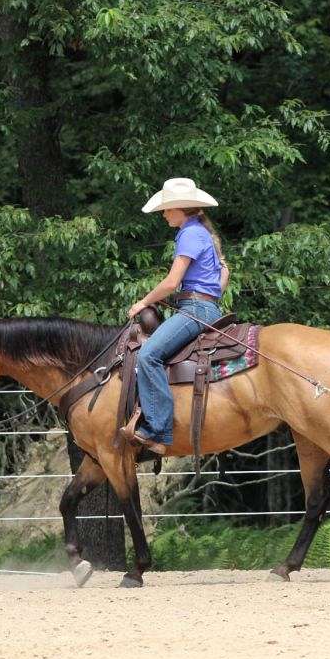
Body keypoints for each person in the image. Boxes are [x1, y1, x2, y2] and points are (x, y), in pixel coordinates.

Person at [123, 177, 229, 454]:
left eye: (168, 209)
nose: (164, 213)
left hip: (195, 310)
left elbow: (171, 282)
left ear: (182, 208)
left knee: (149, 355)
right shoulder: (201, 233)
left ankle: (158, 430)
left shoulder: (190, 233)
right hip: (204, 306)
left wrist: (142, 302)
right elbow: (223, 278)